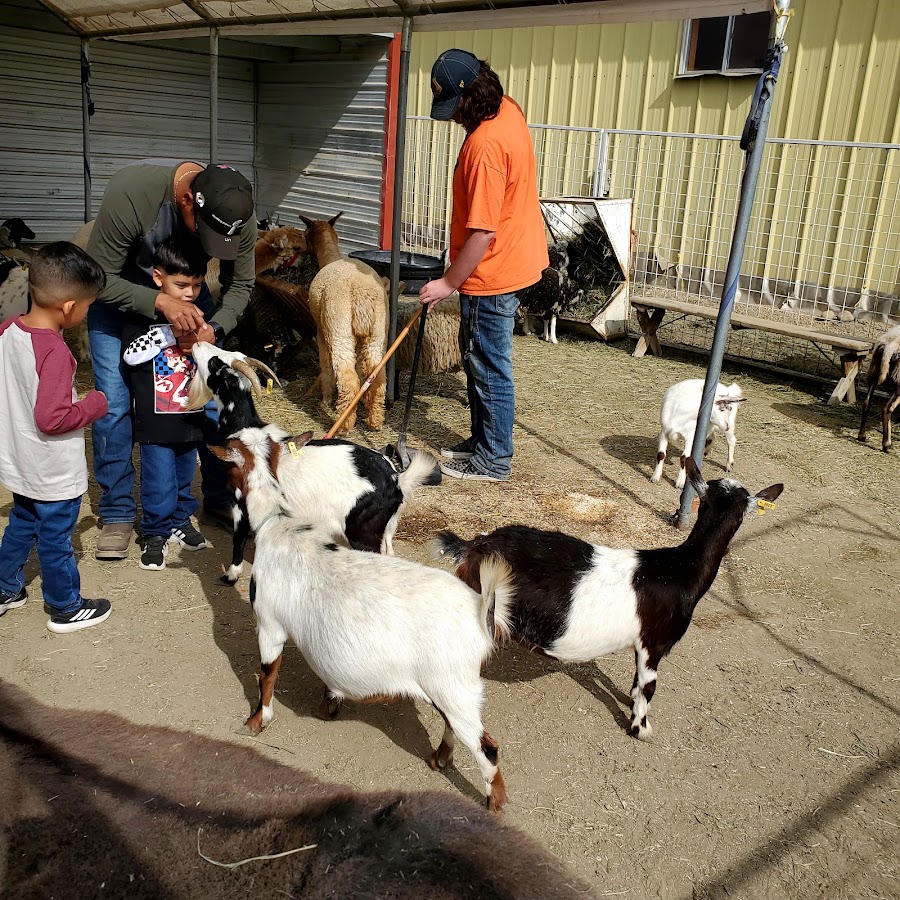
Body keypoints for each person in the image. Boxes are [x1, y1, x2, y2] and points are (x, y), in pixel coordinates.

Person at [86, 161, 256, 560]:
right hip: (120, 294)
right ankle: (118, 511)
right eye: (205, 233)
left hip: (190, 295)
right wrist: (158, 301)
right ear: (185, 202)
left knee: (212, 403)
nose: (213, 244)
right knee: (113, 403)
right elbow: (96, 276)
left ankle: (217, 495)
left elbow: (241, 283)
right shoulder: (134, 194)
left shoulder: (237, 210)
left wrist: (213, 329)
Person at [420, 50, 548, 483]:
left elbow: (482, 232)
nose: (453, 117)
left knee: (489, 364)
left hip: (492, 270)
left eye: (454, 107)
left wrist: (447, 283)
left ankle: (493, 460)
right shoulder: (508, 109)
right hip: (515, 255)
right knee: (477, 357)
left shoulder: (485, 146)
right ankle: (481, 441)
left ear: (469, 96)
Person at [0, 242, 112, 633]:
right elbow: (51, 418)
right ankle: (65, 605)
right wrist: (93, 405)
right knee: (55, 537)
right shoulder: (55, 353)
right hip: (51, 470)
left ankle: (4, 589)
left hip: (19, 460)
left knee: (21, 523)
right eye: (87, 305)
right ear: (68, 307)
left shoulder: (8, 330)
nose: (85, 313)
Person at [121, 239, 214, 571]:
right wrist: (169, 335)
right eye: (181, 284)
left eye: (197, 285)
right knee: (158, 480)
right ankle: (154, 532)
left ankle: (179, 519)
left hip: (191, 415)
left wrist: (207, 337)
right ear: (158, 278)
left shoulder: (202, 314)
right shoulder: (144, 315)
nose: (190, 293)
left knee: (185, 475)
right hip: (156, 420)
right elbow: (131, 355)